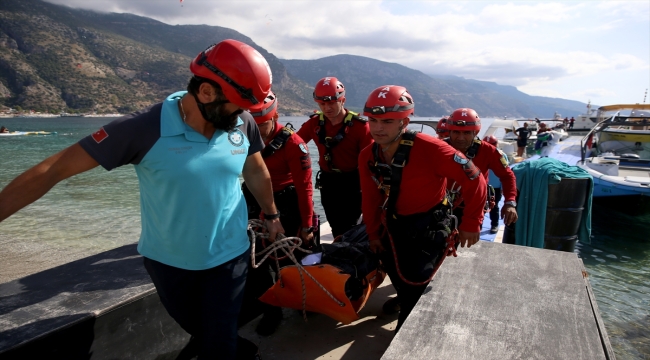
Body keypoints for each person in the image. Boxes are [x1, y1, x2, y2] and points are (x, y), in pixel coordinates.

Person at [0, 39, 282, 360]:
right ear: (206, 93)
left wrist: (272, 215)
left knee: (218, 344)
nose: (245, 114)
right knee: (205, 332)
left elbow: (256, 170)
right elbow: (53, 169)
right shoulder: (143, 129)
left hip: (231, 257)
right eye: (238, 104)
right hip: (169, 265)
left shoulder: (240, 122)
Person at [358, 85, 487, 332]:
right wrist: (373, 234)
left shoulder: (432, 149)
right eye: (372, 120)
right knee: (399, 276)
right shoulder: (368, 155)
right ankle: (406, 303)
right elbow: (370, 199)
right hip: (395, 226)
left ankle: (405, 331)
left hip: (428, 227)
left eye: (387, 121)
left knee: (415, 284)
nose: (377, 128)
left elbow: (475, 180)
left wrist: (472, 223)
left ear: (404, 122)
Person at [240, 90, 314, 336]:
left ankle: (303, 299)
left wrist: (306, 225)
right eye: (252, 125)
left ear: (276, 117)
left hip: (286, 203)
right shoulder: (238, 139)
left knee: (286, 258)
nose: (257, 132)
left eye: (262, 125)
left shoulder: (294, 144)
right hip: (252, 199)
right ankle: (272, 310)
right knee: (255, 260)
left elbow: (305, 188)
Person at [296, 77, 373, 237]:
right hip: (328, 182)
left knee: (349, 226)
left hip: (353, 183)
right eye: (322, 104)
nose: (327, 108)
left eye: (331, 103)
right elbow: (294, 144)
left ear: (342, 100)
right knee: (335, 224)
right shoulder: (314, 124)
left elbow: (372, 161)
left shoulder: (361, 127)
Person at [445, 108, 518, 232]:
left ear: (475, 133)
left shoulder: (488, 152)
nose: (461, 138)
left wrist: (510, 202)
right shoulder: (439, 148)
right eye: (456, 132)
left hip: (473, 207)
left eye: (467, 133)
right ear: (450, 132)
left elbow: (507, 176)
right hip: (442, 205)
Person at [483, 135, 508, 234]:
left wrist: (503, 187)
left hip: (496, 188)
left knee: (494, 206)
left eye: (493, 144)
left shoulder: (501, 156)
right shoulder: (479, 155)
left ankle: (494, 224)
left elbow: (506, 173)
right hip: (483, 186)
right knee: (480, 206)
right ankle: (478, 225)